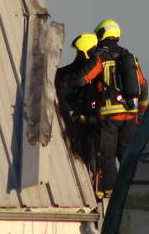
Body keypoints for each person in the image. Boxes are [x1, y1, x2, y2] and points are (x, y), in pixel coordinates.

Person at [62, 19, 141, 199]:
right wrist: (140, 112)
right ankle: (133, 192)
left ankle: (111, 195)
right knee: (126, 155)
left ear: (101, 34)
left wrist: (67, 81)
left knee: (107, 155)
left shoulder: (100, 56)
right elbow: (142, 86)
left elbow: (84, 78)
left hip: (109, 115)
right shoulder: (130, 57)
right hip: (130, 115)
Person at [55, 33, 100, 169]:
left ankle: (95, 174)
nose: (77, 53)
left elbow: (80, 78)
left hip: (91, 109)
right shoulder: (81, 61)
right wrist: (55, 73)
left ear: (86, 50)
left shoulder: (93, 61)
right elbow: (70, 69)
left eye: (79, 50)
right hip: (81, 107)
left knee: (91, 148)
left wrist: (66, 82)